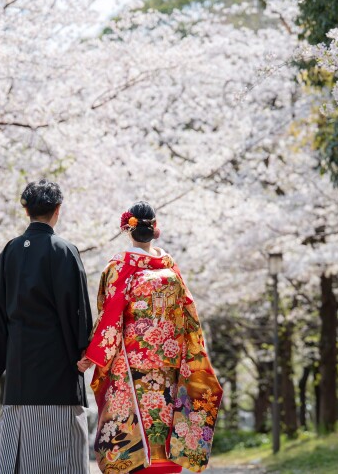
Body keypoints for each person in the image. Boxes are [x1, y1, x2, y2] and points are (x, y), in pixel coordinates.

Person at [77, 202, 223, 473]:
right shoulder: (170, 267)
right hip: (170, 365)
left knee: (136, 429)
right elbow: (189, 313)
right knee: (164, 423)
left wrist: (93, 354)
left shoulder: (120, 267)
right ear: (155, 229)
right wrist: (189, 351)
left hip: (132, 367)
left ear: (127, 230)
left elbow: (110, 316)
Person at [0, 179, 93, 474]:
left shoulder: (10, 251)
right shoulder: (64, 251)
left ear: (26, 211)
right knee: (60, 458)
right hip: (57, 373)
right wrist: (82, 351)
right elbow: (77, 310)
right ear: (58, 209)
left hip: (19, 374)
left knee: (16, 459)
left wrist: (1, 358)